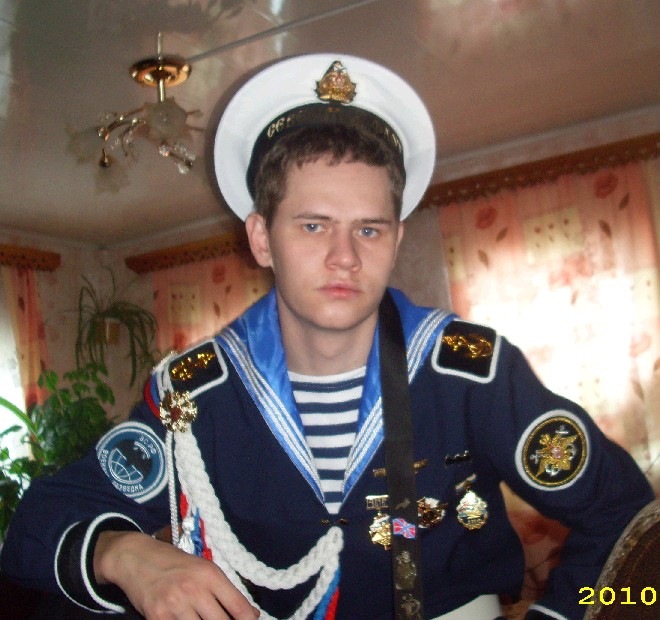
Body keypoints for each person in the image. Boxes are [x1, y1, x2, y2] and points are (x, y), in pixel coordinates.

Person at [1, 53, 653, 620]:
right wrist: (126, 553)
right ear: (262, 238)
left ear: (396, 240)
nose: (345, 257)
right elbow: (35, 525)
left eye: (369, 229)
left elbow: (625, 511)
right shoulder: (197, 395)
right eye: (313, 226)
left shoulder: (467, 372)